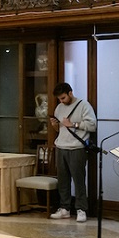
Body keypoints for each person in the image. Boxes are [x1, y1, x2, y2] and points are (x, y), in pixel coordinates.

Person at [48, 82, 96, 223]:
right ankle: (65, 208)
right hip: (61, 146)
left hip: (77, 148)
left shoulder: (84, 105)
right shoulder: (59, 108)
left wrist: (74, 124)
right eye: (59, 99)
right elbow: (60, 130)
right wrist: (55, 125)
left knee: (78, 180)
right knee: (63, 180)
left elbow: (92, 125)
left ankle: (81, 210)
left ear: (70, 93)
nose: (61, 101)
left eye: (63, 98)